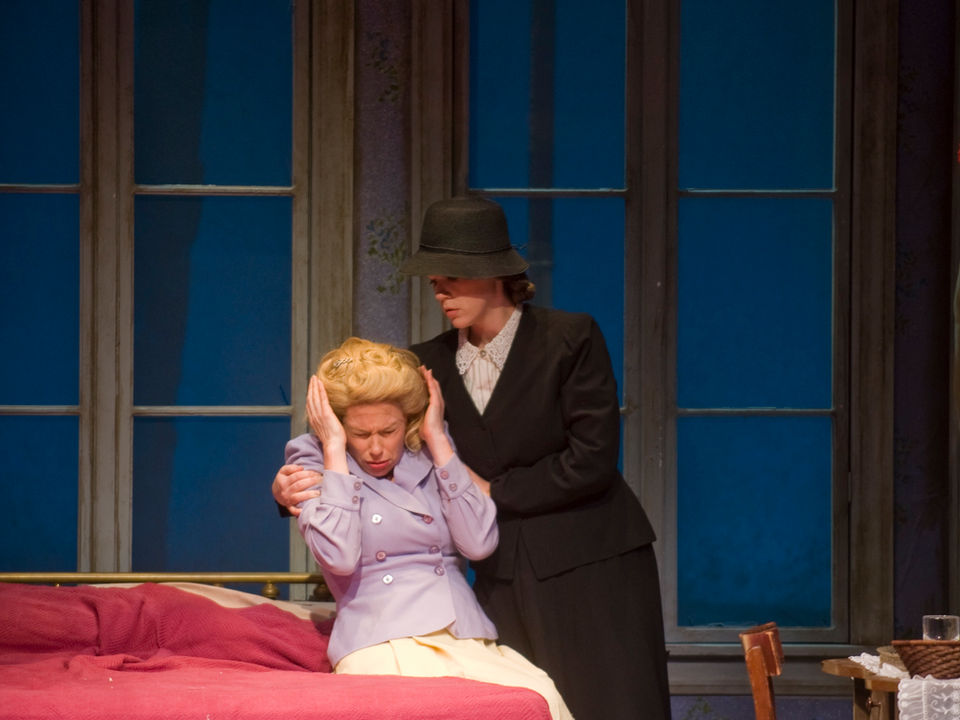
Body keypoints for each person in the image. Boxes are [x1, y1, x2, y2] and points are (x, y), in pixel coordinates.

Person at [276, 196, 671, 720]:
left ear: (495, 274)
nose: (440, 291)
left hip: (591, 556)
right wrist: (288, 490)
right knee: (527, 706)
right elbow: (362, 443)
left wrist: (493, 490)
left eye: (453, 278)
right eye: (435, 281)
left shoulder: (568, 338)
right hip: (499, 568)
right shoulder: (426, 362)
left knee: (614, 702)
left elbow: (592, 460)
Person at [288, 337, 573, 720]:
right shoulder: (314, 458)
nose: (376, 448)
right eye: (360, 434)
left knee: (540, 696)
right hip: (379, 635)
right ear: (335, 425)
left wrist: (438, 439)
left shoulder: (427, 451)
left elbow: (479, 543)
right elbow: (338, 558)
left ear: (407, 420)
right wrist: (335, 449)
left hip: (461, 632)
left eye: (388, 431)